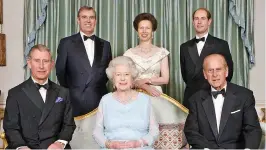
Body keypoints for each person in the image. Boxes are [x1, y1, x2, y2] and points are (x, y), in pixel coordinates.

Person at [3, 44, 76, 149]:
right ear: (29, 63)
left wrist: (59, 143)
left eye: (45, 61)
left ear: (51, 64)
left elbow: (69, 125)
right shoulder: (15, 93)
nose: (41, 66)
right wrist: (21, 147)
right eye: (37, 61)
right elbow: (11, 128)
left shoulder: (63, 93)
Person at [184, 54, 262, 149]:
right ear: (205, 74)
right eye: (210, 70)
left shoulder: (244, 96)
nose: (215, 74)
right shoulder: (195, 99)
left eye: (218, 69)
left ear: (226, 71)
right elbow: (191, 131)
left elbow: (252, 129)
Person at [124, 13, 187, 124]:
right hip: (134, 96)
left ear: (153, 31)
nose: (144, 31)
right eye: (141, 28)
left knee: (159, 130)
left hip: (156, 95)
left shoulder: (162, 53)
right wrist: (144, 86)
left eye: (147, 28)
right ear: (137, 31)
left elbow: (165, 79)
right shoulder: (128, 54)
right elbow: (126, 81)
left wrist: (146, 81)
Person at [56, 6, 112, 117]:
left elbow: (108, 72)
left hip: (99, 100)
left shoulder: (106, 45)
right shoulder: (66, 43)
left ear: (95, 21)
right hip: (75, 101)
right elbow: (60, 71)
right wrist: (75, 91)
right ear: (78, 20)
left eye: (91, 17)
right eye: (84, 17)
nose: (88, 20)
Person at [92, 56, 159, 149]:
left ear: (132, 78)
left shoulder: (145, 99)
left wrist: (139, 143)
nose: (122, 78)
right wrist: (109, 144)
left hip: (140, 147)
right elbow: (97, 131)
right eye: (118, 74)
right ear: (113, 79)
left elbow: (154, 130)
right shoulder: (105, 100)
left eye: (127, 74)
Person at [180, 8, 234, 109]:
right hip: (191, 98)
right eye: (196, 19)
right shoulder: (184, 47)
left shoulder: (221, 44)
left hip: (214, 96)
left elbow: (228, 72)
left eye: (203, 18)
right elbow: (185, 75)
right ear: (193, 22)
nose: (199, 22)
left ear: (209, 21)